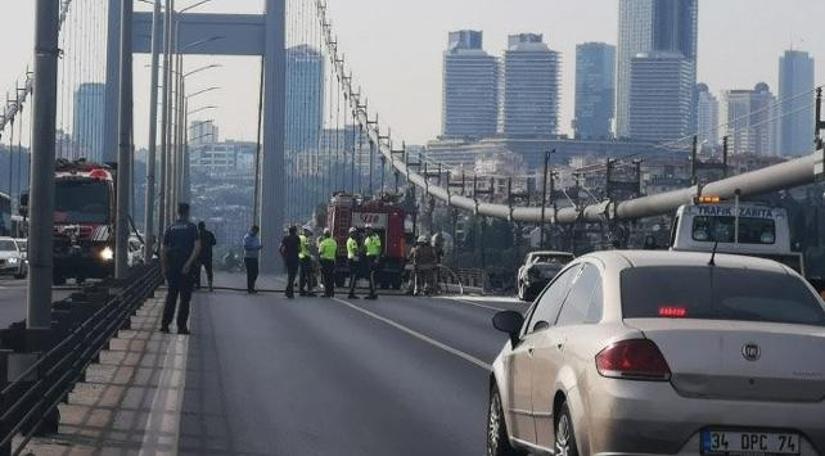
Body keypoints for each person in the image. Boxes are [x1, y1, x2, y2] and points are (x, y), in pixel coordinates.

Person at [160, 203, 201, 335]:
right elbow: (197, 247)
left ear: (177, 212)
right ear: (187, 212)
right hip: (186, 268)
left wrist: (164, 268)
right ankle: (181, 326)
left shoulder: (170, 228)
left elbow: (163, 250)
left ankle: (165, 325)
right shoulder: (192, 228)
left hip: (172, 267)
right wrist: (189, 263)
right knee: (185, 298)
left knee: (171, 296)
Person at [280, 225, 301, 299]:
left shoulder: (285, 238)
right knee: (292, 276)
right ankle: (289, 292)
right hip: (295, 258)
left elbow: (280, 248)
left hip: (288, 259)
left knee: (290, 275)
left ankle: (288, 292)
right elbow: (299, 249)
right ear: (295, 231)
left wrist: (284, 256)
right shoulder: (297, 238)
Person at [196, 221, 217, 291]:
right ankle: (210, 286)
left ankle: (197, 286)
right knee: (209, 271)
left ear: (198, 227)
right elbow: (214, 242)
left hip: (198, 256)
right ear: (204, 226)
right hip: (208, 255)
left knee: (197, 271)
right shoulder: (209, 233)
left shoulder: (196, 234)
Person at [317, 228, 338, 298]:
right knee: (331, 278)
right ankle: (332, 292)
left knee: (325, 278)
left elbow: (320, 252)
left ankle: (326, 293)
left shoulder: (323, 242)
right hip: (332, 261)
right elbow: (336, 252)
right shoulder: (334, 242)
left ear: (324, 235)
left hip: (325, 261)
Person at [362, 225, 381, 300]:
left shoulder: (375, 237)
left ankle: (374, 293)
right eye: (366, 230)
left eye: (368, 230)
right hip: (368, 258)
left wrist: (377, 259)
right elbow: (364, 248)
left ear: (371, 230)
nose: (367, 231)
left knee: (372, 276)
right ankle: (371, 293)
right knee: (370, 276)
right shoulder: (367, 239)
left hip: (373, 257)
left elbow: (379, 248)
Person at [243, 226, 263, 294]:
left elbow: (257, 246)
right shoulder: (247, 237)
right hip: (248, 257)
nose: (256, 232)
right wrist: (255, 247)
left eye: (257, 231)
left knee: (255, 273)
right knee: (250, 274)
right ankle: (250, 288)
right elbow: (246, 247)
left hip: (255, 257)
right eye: (255, 231)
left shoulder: (256, 238)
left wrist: (259, 247)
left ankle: (252, 286)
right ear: (252, 230)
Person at [298, 226, 316, 296]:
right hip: (306, 257)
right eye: (309, 233)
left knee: (302, 275)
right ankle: (310, 291)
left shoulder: (300, 237)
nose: (309, 235)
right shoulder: (305, 239)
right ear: (306, 231)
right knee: (309, 275)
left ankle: (301, 290)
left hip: (301, 257)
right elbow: (308, 247)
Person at [346, 227, 362, 299]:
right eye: (354, 233)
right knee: (354, 277)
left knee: (352, 276)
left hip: (350, 258)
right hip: (353, 259)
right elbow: (355, 251)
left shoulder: (349, 240)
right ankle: (351, 293)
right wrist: (360, 252)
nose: (355, 234)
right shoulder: (353, 241)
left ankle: (351, 292)